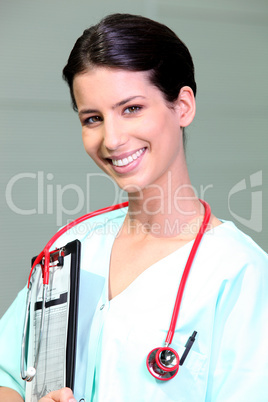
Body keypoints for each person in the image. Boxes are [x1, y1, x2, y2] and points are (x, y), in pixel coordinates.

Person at [0, 13, 268, 402]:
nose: (111, 139)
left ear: (183, 106)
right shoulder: (72, 246)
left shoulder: (241, 275)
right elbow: (6, 372)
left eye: (131, 109)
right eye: (92, 118)